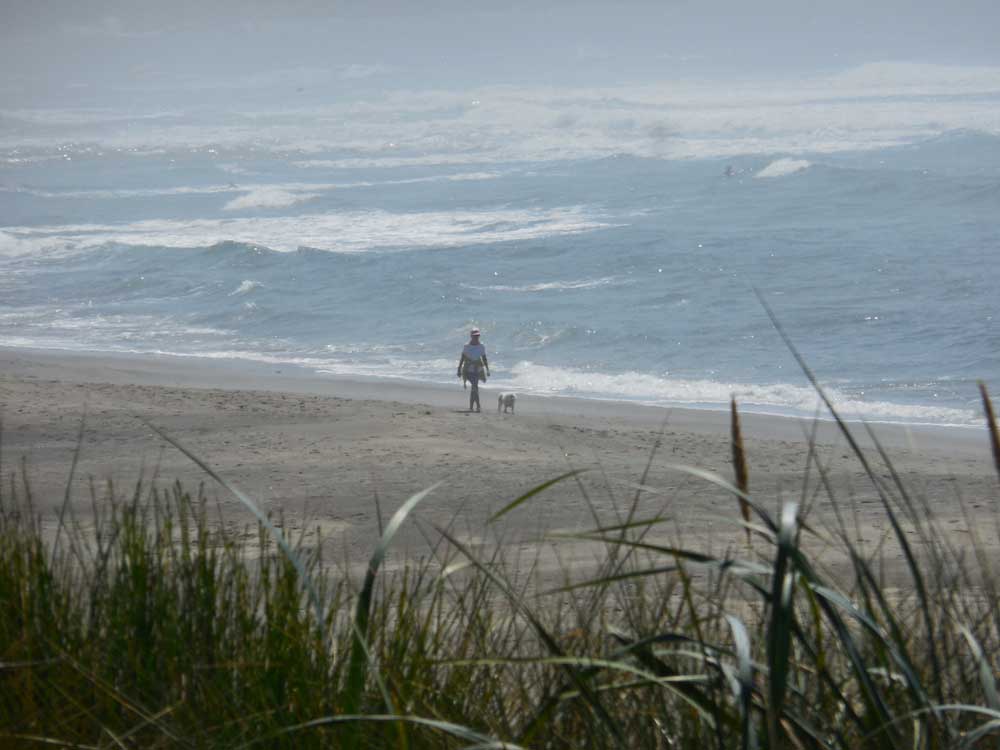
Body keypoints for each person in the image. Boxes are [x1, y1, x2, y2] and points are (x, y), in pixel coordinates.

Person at [457, 327, 490, 412]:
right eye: (475, 336)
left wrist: (487, 369)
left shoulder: (481, 346)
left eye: (478, 336)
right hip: (468, 370)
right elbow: (462, 358)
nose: (476, 337)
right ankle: (478, 406)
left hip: (477, 370)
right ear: (471, 336)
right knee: (475, 387)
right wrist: (459, 369)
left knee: (474, 388)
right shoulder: (466, 346)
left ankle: (471, 407)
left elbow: (484, 358)